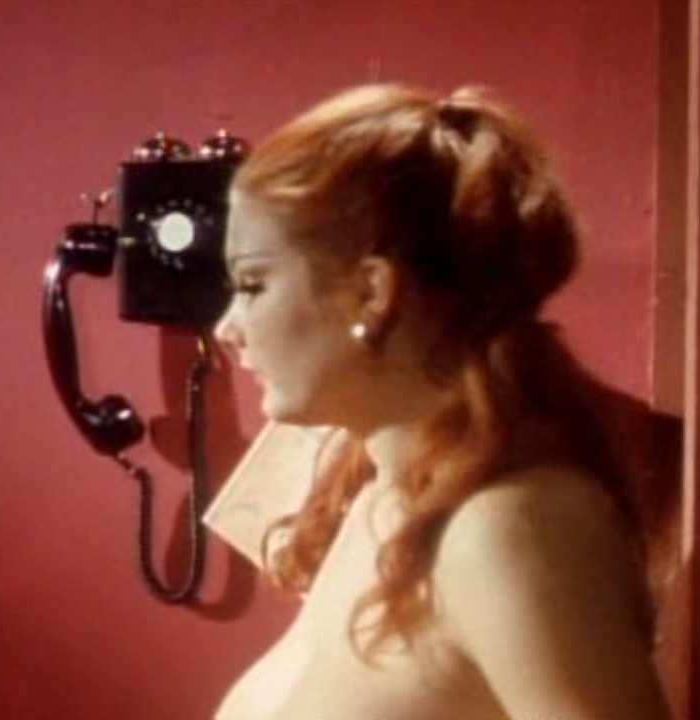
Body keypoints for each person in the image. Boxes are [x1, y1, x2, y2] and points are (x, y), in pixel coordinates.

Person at [211, 82, 672, 720]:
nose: (227, 328)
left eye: (252, 283)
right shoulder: (380, 496)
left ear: (371, 292)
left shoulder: (506, 528)